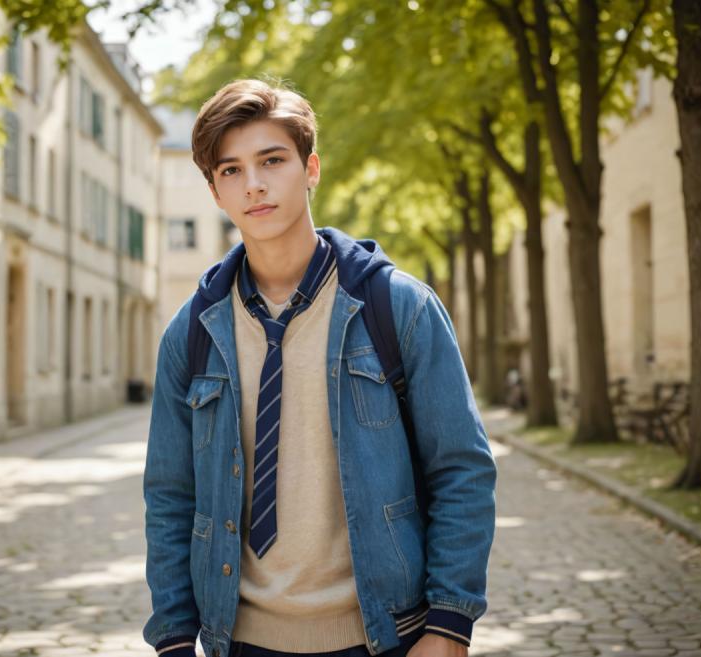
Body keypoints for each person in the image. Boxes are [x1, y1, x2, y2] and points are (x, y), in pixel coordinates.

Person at [143, 78, 496, 657]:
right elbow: (169, 497)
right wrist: (175, 639)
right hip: (240, 641)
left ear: (311, 169)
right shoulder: (192, 332)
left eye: (272, 161)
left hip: (385, 638)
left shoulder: (399, 308)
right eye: (230, 170)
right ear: (214, 192)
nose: (253, 184)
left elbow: (462, 470)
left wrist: (450, 623)